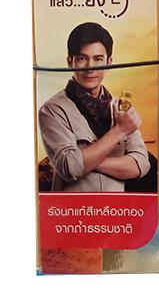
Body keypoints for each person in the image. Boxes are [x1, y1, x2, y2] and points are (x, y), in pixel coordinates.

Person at [38, 22, 150, 192]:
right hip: (72, 208)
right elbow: (69, 168)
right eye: (82, 58)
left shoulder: (121, 108)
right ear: (70, 62)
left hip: (116, 207)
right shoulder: (52, 110)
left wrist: (86, 162)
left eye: (98, 59)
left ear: (109, 62)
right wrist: (119, 131)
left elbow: (140, 165)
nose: (90, 67)